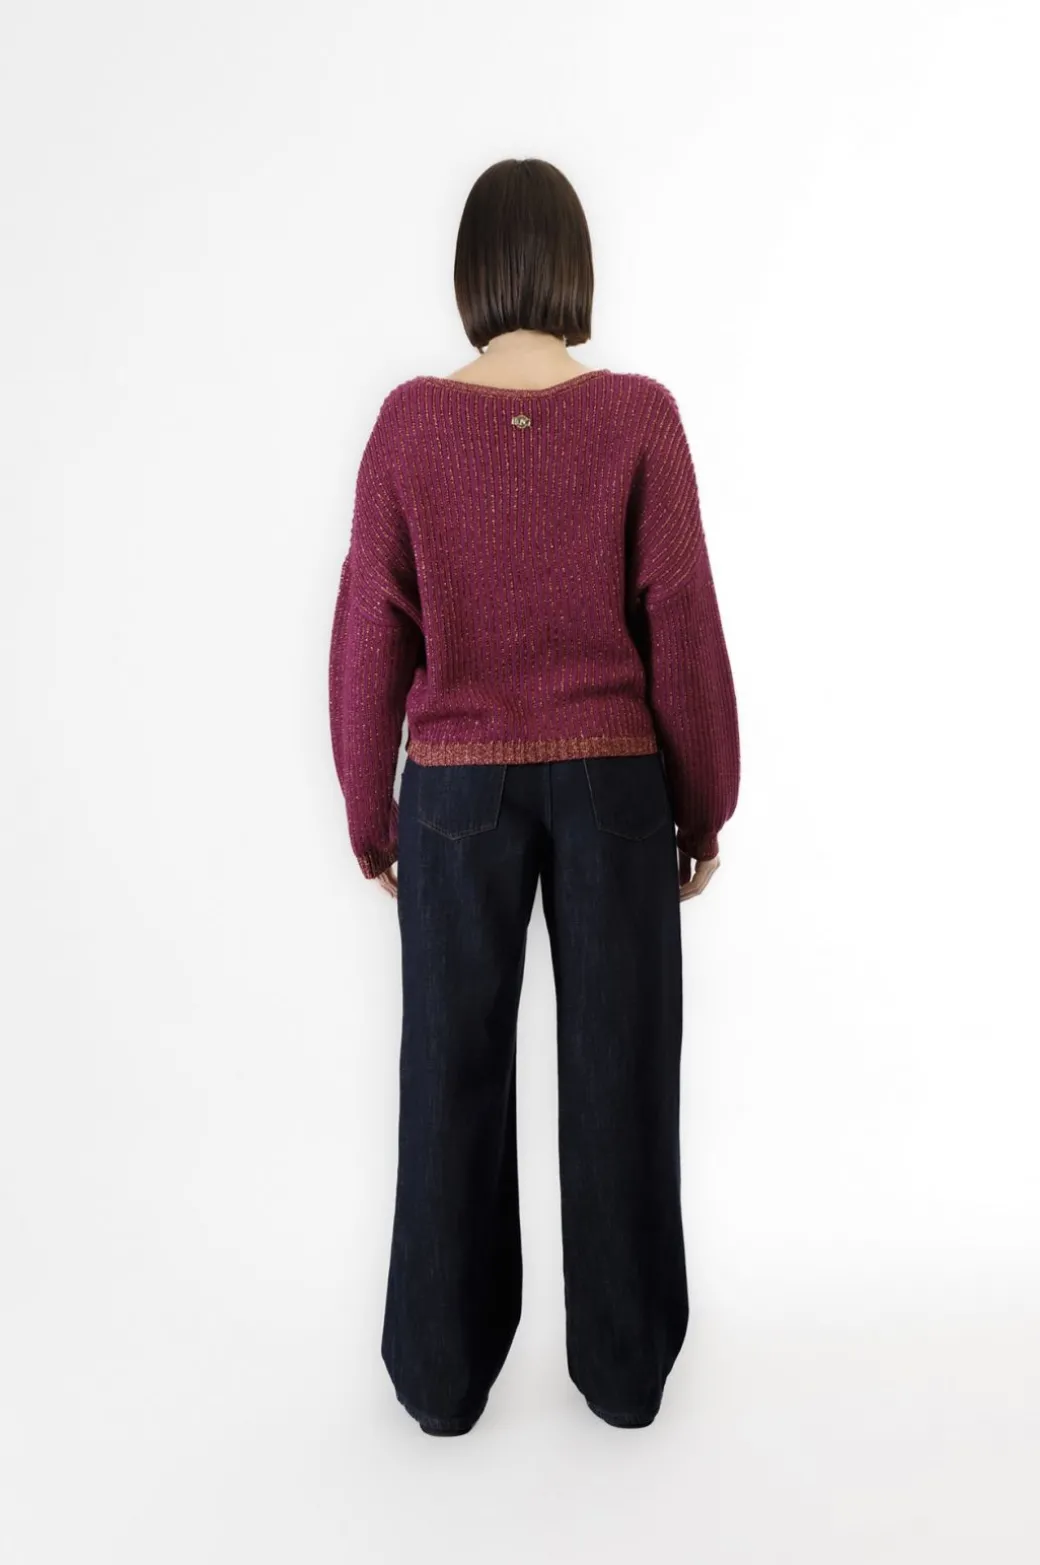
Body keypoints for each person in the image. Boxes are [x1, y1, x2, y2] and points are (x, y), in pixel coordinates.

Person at [327, 157, 741, 1436]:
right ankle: (623, 1371)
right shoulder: (637, 418)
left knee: (447, 1073)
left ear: (471, 274)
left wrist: (368, 812)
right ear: (572, 268)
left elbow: (368, 629)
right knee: (621, 1068)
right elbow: (681, 624)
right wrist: (703, 803)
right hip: (615, 786)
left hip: (453, 794)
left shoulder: (409, 424)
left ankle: (440, 1378)